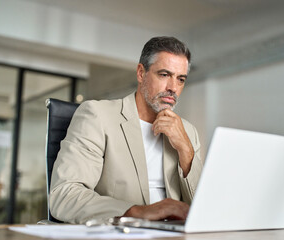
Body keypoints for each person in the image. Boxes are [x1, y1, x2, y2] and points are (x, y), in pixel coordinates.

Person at [50, 36, 203, 224]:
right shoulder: (97, 115)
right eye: (164, 75)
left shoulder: (188, 131)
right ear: (141, 73)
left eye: (180, 79)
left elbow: (203, 208)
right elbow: (64, 196)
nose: (173, 88)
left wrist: (186, 150)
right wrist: (136, 212)